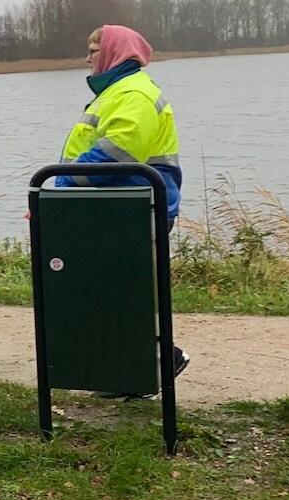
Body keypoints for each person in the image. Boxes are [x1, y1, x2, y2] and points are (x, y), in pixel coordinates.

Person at [56, 24, 190, 398]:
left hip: (134, 208)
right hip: (117, 207)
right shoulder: (117, 92)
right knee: (116, 290)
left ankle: (156, 363)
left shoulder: (133, 93)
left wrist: (64, 180)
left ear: (114, 53)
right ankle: (133, 371)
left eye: (93, 50)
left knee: (124, 290)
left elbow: (118, 154)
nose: (87, 58)